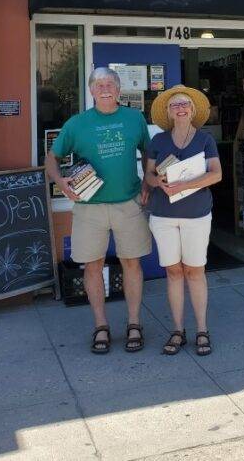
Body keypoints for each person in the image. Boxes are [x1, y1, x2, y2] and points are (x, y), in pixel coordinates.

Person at [45, 67, 151, 354]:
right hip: (88, 208)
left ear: (118, 89)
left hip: (128, 204)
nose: (105, 88)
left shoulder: (134, 118)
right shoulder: (76, 124)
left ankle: (133, 323)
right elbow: (52, 158)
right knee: (92, 266)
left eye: (110, 84)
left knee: (131, 263)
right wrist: (60, 180)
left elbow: (148, 151)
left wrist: (148, 182)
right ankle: (101, 325)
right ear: (91, 90)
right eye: (99, 84)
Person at [144, 85, 222, 356]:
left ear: (193, 110)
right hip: (164, 216)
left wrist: (187, 184)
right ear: (168, 112)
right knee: (174, 272)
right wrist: (160, 185)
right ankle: (178, 329)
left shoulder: (204, 139)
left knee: (195, 271)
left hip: (196, 215)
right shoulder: (159, 141)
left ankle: (202, 329)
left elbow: (216, 174)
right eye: (175, 105)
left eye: (184, 104)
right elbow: (149, 176)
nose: (180, 108)